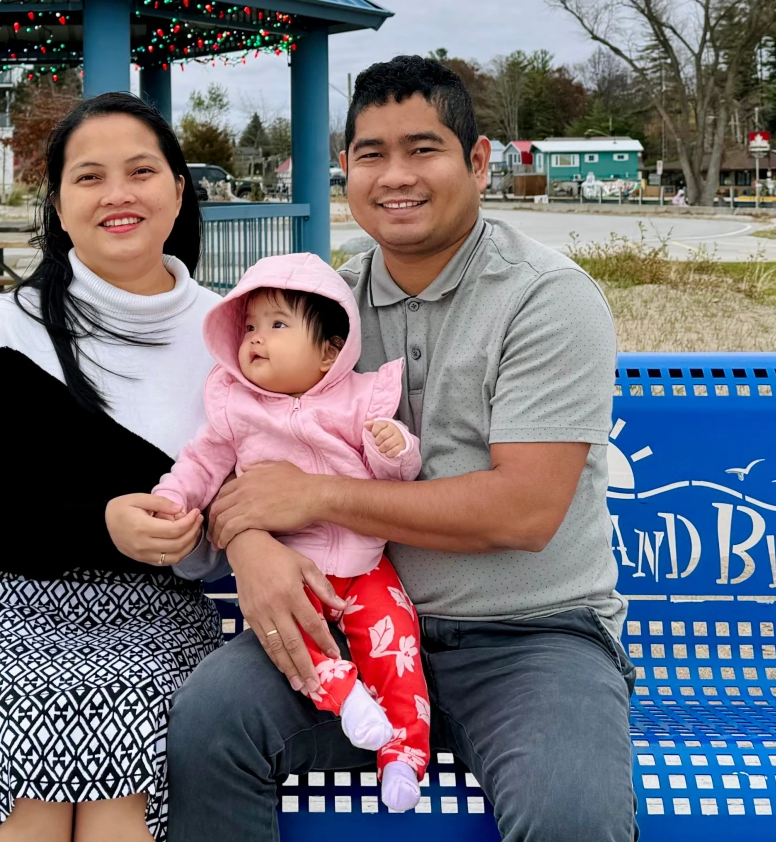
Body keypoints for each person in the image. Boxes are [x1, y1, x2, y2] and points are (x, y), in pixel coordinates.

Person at [167, 55, 634, 842]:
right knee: (209, 724)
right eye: (371, 154)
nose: (396, 176)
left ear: (477, 162)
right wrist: (249, 543)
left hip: (528, 637)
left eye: (423, 149)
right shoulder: (318, 309)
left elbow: (524, 511)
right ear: (345, 168)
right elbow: (241, 456)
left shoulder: (545, 297)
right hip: (345, 623)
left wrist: (320, 497)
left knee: (571, 816)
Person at [0, 92, 223, 842]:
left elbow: (249, 504)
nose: (118, 194)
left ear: (178, 188)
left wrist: (195, 539)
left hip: (155, 618)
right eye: (89, 177)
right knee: (37, 751)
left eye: (141, 171)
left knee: (123, 750)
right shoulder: (11, 329)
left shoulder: (229, 334)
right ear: (57, 204)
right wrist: (102, 527)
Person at [150, 254, 429, 812]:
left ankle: (403, 755)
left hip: (366, 566)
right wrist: (172, 499)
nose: (256, 338)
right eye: (250, 326)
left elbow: (393, 477)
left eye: (278, 325)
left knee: (399, 646)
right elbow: (200, 464)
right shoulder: (237, 411)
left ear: (329, 352)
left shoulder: (358, 400)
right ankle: (346, 698)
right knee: (294, 639)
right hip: (288, 568)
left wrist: (395, 448)